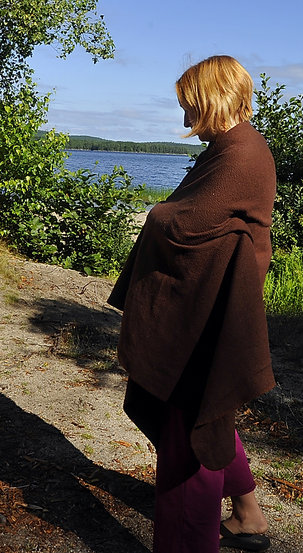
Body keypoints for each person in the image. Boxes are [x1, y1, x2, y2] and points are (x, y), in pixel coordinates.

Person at [107, 55, 276, 552]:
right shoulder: (232, 147)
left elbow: (182, 223)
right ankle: (247, 514)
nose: (184, 121)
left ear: (211, 100)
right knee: (209, 414)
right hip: (205, 307)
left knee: (189, 443)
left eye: (189, 108)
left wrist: (157, 214)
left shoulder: (241, 154)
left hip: (203, 319)